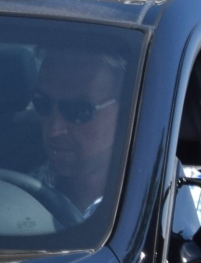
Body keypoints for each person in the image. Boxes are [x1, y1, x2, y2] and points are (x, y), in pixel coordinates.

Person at [31, 48, 129, 221]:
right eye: (42, 103)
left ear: (126, 112)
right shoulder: (15, 193)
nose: (55, 128)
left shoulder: (154, 197)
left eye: (78, 111)